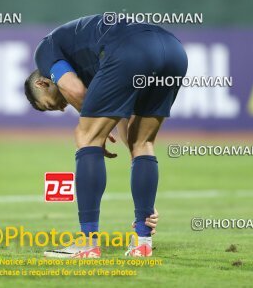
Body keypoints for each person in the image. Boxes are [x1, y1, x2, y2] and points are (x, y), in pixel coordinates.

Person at [24, 14, 188, 257]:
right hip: (173, 50)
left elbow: (76, 90)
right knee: (140, 143)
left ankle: (87, 243)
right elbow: (123, 114)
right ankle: (142, 239)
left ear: (42, 84)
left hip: (130, 49)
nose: (60, 108)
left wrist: (95, 134)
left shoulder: (45, 51)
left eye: (50, 105)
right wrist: (146, 201)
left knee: (85, 137)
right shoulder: (90, 62)